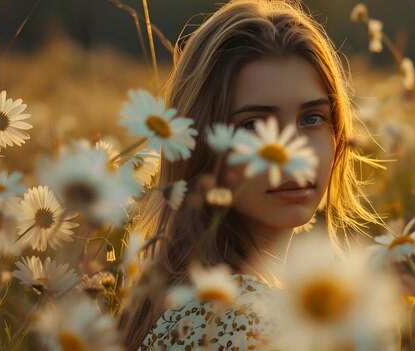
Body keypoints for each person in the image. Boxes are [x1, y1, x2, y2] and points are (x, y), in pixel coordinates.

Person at [117, 0, 384, 349]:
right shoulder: (236, 321)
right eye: (254, 125)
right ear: (201, 142)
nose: (292, 154)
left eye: (312, 118)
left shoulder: (190, 296)